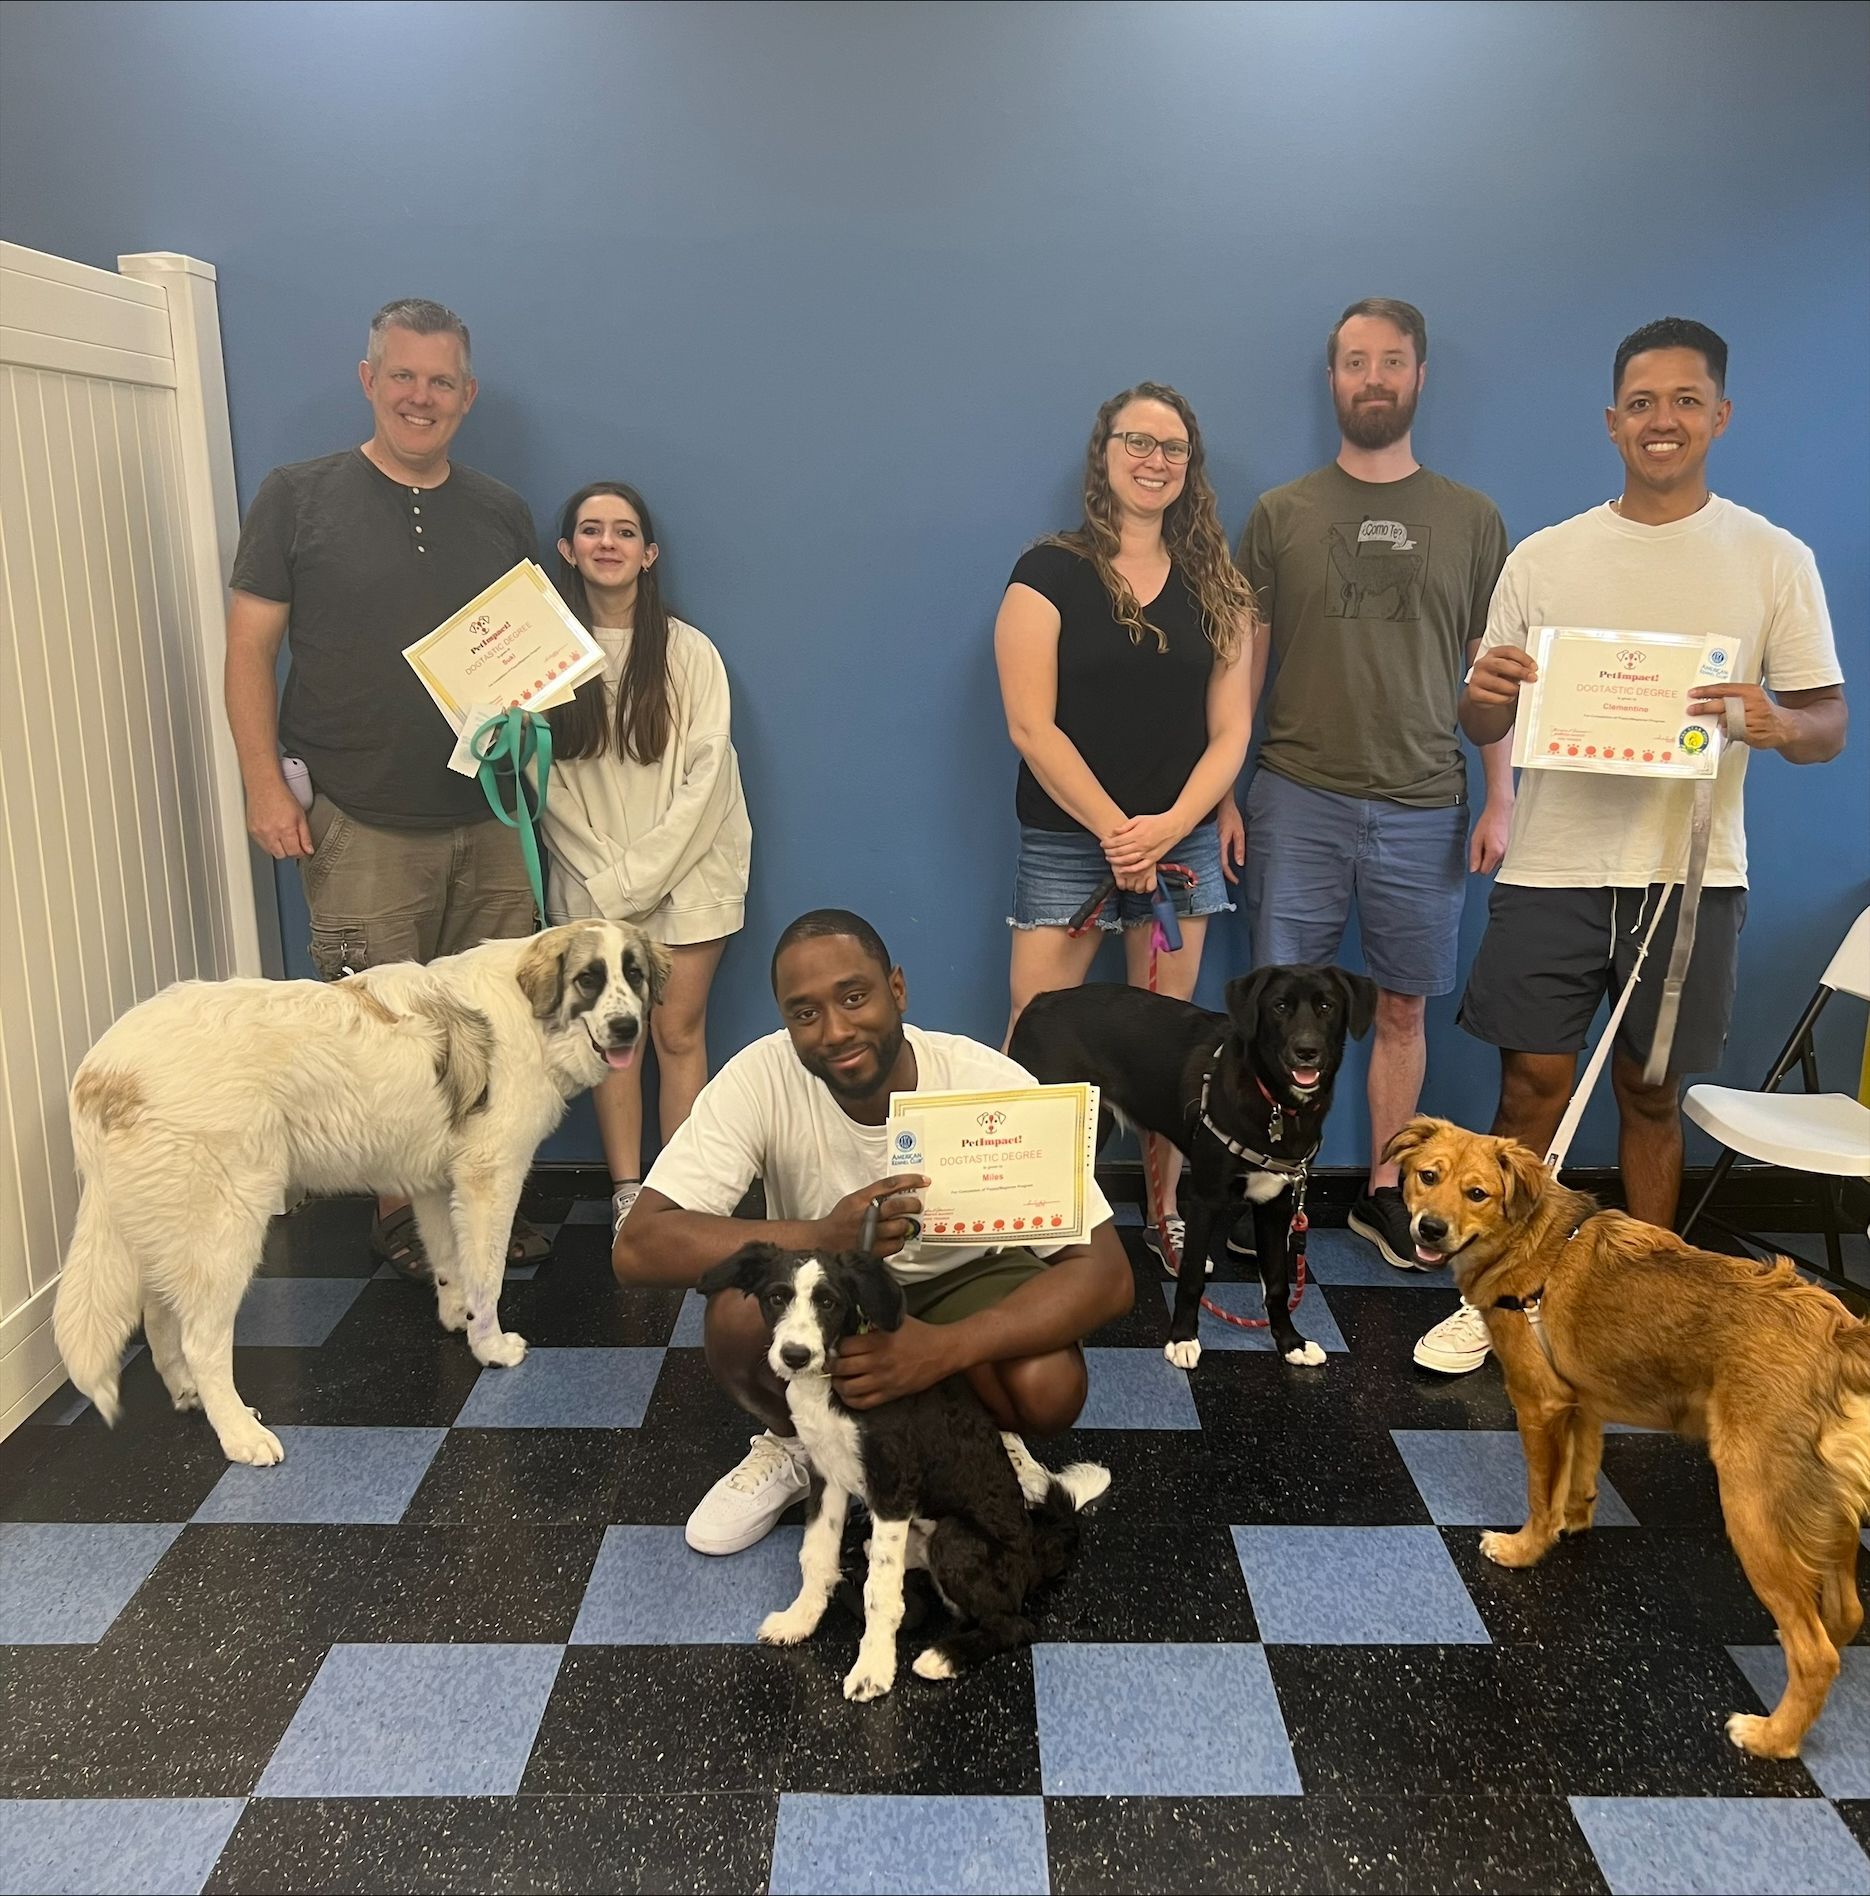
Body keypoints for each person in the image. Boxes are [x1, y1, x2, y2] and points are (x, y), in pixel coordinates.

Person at [1416, 316, 1847, 1376]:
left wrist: (1773, 719)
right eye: (1642, 403)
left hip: (1689, 876)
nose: (1663, 420)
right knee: (1529, 1091)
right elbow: (1481, 718)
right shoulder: (1544, 556)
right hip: (1552, 867)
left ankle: (1644, 1314)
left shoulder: (1772, 559)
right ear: (1612, 421)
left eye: (1685, 401)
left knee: (1650, 1096)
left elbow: (1827, 724)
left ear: (1719, 416)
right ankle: (1499, 1298)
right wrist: (1481, 693)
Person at [613, 909, 1135, 1556]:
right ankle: (798, 1445)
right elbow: (638, 1246)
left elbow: (1107, 1276)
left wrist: (941, 1349)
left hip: (963, 1283)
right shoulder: (759, 1077)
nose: (835, 1030)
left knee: (1048, 1386)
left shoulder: (984, 1081)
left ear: (897, 989)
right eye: (805, 1013)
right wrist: (821, 1235)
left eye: (854, 997)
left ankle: (968, 1441)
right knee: (737, 1317)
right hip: (833, 1291)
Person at [224, 297, 552, 1274]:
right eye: (402, 375)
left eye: (440, 380)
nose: (420, 396)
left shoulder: (501, 512)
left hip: (490, 817)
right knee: (383, 1036)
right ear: (369, 379)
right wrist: (263, 785)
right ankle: (403, 1216)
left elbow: (523, 649)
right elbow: (248, 650)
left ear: (467, 394)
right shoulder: (297, 497)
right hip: (360, 818)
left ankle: (477, 1207)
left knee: (492, 1025)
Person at [1224, 298, 1511, 1270]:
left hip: (1424, 803)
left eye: (1391, 361)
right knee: (1275, 1011)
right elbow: (1245, 669)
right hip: (1294, 795)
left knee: (1401, 1010)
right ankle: (1267, 1185)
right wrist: (1224, 792)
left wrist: (1502, 795)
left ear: (1419, 375)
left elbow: (1491, 673)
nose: (1374, 377)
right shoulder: (1281, 516)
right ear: (1333, 379)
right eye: (1356, 362)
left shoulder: (1472, 520)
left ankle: (1388, 1193)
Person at [994, 381, 1259, 1259]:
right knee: (1039, 1028)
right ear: (1103, 453)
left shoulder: (1221, 588)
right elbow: (1030, 725)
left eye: (1172, 447)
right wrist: (1120, 832)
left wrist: (1167, 827)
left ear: (1191, 466)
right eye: (1136, 442)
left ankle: (1165, 1214)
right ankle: (1024, 1212)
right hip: (1069, 842)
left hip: (1178, 844)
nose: (1154, 460)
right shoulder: (1047, 573)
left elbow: (1232, 733)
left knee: (1171, 1045)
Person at [540, 482, 751, 1236]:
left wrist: (635, 880)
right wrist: (612, 881)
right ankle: (630, 1192)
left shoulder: (690, 652)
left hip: (690, 874)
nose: (608, 543)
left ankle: (679, 1194)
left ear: (649, 553)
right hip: (589, 875)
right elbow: (542, 781)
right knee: (611, 1038)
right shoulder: (543, 660)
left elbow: (707, 776)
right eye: (591, 530)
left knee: (676, 1033)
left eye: (624, 531)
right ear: (567, 550)